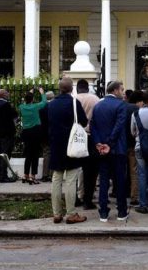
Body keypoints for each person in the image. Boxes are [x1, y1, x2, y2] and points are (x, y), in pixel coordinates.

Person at [48, 77, 88, 224]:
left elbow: (46, 122)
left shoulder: (51, 104)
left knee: (56, 179)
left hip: (56, 144)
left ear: (59, 88)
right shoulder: (74, 103)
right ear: (72, 88)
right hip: (71, 145)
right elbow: (83, 121)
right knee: (71, 180)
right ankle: (71, 213)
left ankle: (57, 214)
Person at [90, 80, 129, 222]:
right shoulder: (120, 105)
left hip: (102, 149)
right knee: (119, 181)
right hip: (117, 149)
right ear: (115, 90)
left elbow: (92, 125)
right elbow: (119, 127)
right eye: (122, 89)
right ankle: (121, 211)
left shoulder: (98, 105)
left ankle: (103, 212)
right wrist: (109, 144)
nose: (123, 92)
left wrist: (98, 143)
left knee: (104, 181)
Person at [131, 90, 148, 213]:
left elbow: (133, 131)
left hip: (139, 147)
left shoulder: (135, 113)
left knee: (142, 175)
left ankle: (143, 203)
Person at [76, 79, 100, 210]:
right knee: (90, 171)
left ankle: (75, 198)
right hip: (91, 137)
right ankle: (88, 200)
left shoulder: (73, 99)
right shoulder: (95, 99)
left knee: (74, 169)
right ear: (88, 87)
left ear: (77, 88)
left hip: (76, 137)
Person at [19, 87, 47, 185]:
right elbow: (44, 102)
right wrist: (42, 93)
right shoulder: (35, 106)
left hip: (26, 132)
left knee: (28, 154)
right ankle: (32, 176)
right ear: (33, 99)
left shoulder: (21, 107)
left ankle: (25, 175)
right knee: (35, 155)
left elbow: (24, 101)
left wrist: (29, 93)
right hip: (35, 131)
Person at [0, 89, 18, 183]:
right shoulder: (6, 104)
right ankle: (3, 176)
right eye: (7, 93)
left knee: (0, 154)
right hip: (7, 133)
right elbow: (14, 114)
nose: (8, 94)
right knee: (5, 154)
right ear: (3, 95)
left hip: (0, 132)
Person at [125, 90, 144, 206]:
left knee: (122, 170)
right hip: (133, 144)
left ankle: (121, 192)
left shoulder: (123, 107)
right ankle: (134, 196)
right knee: (134, 171)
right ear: (139, 101)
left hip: (122, 144)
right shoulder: (137, 110)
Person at [39, 91, 55, 182]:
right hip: (53, 133)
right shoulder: (55, 107)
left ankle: (45, 175)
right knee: (53, 154)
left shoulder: (42, 108)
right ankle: (52, 175)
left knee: (46, 154)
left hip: (44, 134)